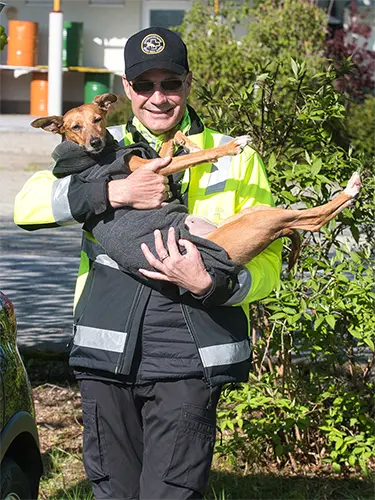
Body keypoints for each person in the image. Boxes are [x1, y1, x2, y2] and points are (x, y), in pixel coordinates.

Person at [14, 27, 282, 500]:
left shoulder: (236, 156)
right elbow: (28, 204)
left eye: (170, 84)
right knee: (114, 492)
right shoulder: (98, 142)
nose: (158, 97)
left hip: (188, 355)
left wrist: (213, 283)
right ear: (126, 89)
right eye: (144, 85)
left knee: (171, 493)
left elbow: (269, 264)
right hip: (106, 351)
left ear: (188, 83)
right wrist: (110, 191)